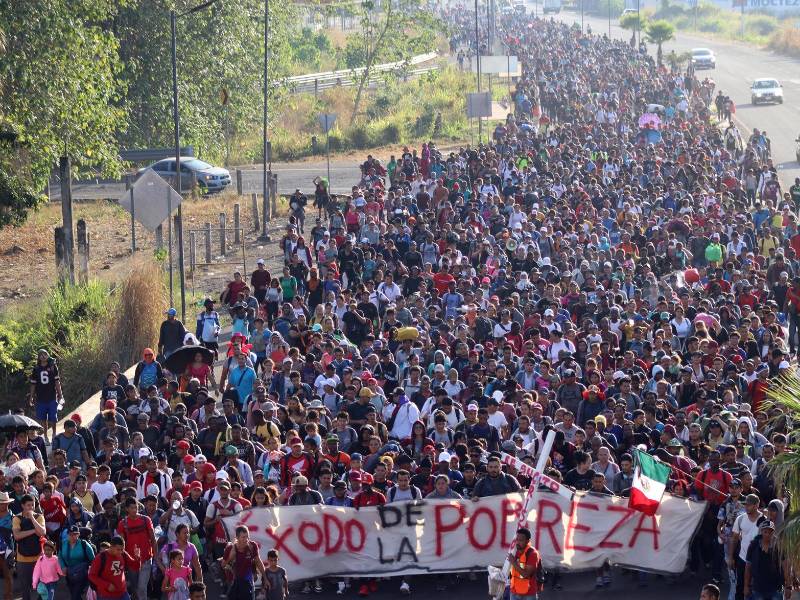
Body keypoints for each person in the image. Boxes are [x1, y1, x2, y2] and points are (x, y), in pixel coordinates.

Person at [12, 494, 46, 600]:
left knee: (40, 587)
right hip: (22, 558)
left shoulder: (39, 517)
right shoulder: (17, 518)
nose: (31, 507)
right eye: (28, 505)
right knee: (25, 587)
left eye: (33, 505)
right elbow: (17, 536)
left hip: (38, 557)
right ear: (22, 505)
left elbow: (42, 532)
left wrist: (32, 517)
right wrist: (33, 531)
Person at [221, 525, 265, 600]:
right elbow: (223, 565)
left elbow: (258, 561)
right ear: (237, 538)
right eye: (243, 537)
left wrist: (265, 578)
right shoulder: (230, 549)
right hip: (233, 582)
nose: (246, 539)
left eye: (247, 536)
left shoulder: (252, 546)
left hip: (248, 581)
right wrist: (230, 557)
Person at [28, 349, 63, 442]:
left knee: (53, 417)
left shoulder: (52, 366)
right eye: (41, 355)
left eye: (45, 354)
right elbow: (33, 384)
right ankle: (46, 436)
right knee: (43, 419)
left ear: (48, 355)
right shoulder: (36, 369)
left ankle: (54, 434)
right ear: (38, 357)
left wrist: (60, 394)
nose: (43, 356)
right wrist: (31, 397)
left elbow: (57, 382)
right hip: (40, 398)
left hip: (52, 396)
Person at [88, 535, 135, 600]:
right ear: (111, 547)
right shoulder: (100, 558)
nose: (121, 552)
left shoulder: (123, 554)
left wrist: (137, 558)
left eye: (122, 549)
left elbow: (135, 566)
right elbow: (91, 575)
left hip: (123, 593)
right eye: (118, 549)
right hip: (106, 595)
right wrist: (107, 585)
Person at [60, 524, 96, 600]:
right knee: (75, 594)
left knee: (75, 596)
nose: (72, 536)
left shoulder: (84, 544)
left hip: (82, 575)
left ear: (78, 534)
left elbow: (93, 560)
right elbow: (60, 556)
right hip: (69, 574)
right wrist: (63, 566)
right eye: (70, 534)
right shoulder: (63, 543)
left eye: (74, 534)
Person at [508, 527, 542, 600]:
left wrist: (513, 562)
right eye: (517, 539)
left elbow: (525, 574)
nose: (517, 542)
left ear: (527, 541)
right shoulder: (514, 552)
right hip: (514, 592)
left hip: (528, 594)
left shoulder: (533, 554)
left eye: (521, 540)